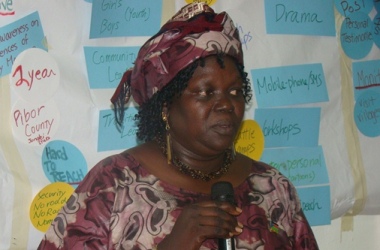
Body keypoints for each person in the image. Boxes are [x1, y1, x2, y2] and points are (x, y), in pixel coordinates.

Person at [38, 3, 318, 250]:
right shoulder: (112, 186)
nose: (226, 105)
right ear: (165, 107)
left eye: (234, 92)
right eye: (205, 92)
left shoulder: (273, 188)